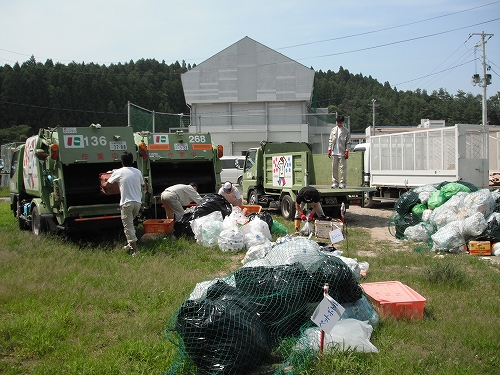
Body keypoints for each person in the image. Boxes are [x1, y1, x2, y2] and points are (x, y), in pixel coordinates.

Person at [105, 151, 144, 256]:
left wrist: (103, 183)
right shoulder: (138, 171)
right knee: (131, 223)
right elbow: (143, 184)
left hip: (127, 203)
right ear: (132, 161)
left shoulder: (119, 172)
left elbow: (107, 185)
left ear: (122, 162)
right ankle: (130, 244)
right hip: (137, 203)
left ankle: (136, 251)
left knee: (128, 226)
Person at [327, 115, 351, 189]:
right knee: (334, 168)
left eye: (340, 122)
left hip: (342, 153)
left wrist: (347, 151)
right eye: (338, 122)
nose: (339, 124)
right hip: (334, 153)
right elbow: (330, 140)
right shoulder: (333, 130)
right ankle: (335, 182)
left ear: (343, 122)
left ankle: (343, 183)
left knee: (342, 169)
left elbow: (348, 142)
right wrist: (329, 149)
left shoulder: (346, 131)